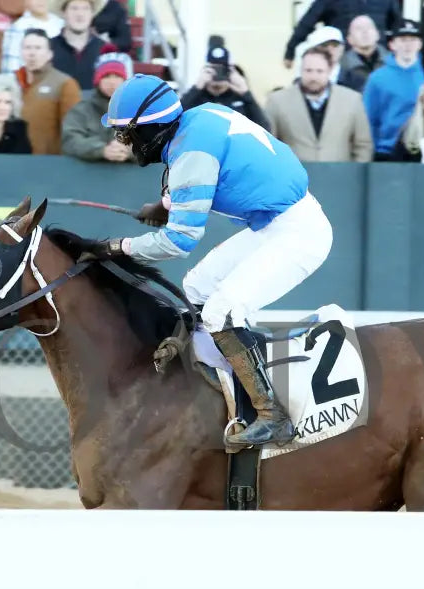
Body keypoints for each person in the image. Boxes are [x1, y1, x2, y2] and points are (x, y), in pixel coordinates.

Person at [93, 73, 334, 449]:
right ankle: (219, 381)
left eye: (126, 133)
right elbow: (212, 166)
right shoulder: (200, 117)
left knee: (222, 311)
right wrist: (166, 205)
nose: (122, 142)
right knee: (196, 287)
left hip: (297, 233)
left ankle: (273, 416)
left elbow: (180, 240)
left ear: (150, 129)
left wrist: (119, 247)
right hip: (278, 223)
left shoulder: (191, 152)